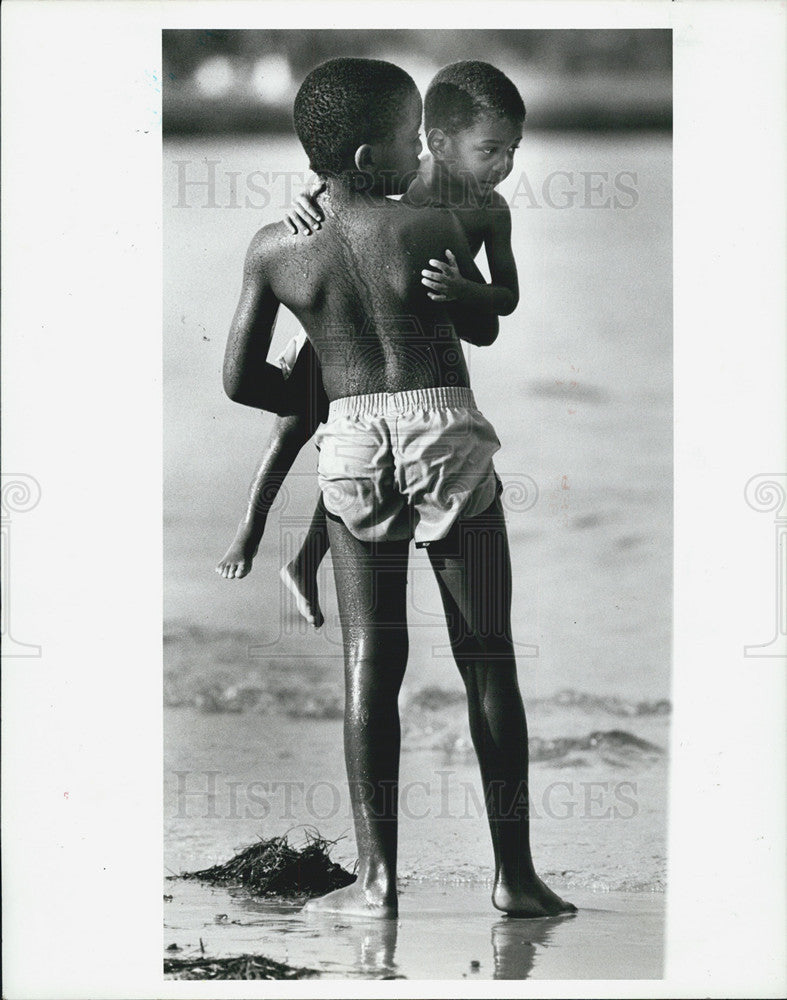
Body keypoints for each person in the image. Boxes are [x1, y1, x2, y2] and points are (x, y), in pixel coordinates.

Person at [222, 56, 574, 920]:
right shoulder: (427, 226)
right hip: (443, 430)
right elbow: (483, 323)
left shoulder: (274, 245)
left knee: (367, 670)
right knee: (486, 659)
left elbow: (237, 381)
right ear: (383, 151)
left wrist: (328, 395)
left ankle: (377, 883)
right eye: (412, 133)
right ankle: (515, 880)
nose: (424, 146)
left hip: (346, 442)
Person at [216, 61, 523, 633]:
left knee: (352, 432)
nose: (505, 165)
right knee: (297, 426)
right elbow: (345, 183)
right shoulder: (412, 182)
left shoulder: (485, 210)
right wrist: (307, 197)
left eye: (514, 149)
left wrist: (465, 293)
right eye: (490, 150)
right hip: (356, 337)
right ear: (435, 142)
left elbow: (491, 320)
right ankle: (252, 533)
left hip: (397, 356)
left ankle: (304, 561)